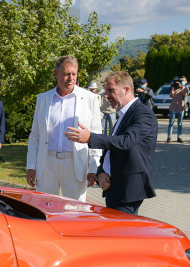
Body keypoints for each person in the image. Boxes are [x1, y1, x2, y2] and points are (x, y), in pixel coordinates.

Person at [65, 71, 158, 215]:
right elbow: (111, 150)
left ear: (126, 90)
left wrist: (90, 138)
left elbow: (127, 142)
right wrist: (101, 172)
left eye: (111, 90)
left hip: (128, 189)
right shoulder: (123, 113)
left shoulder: (142, 114)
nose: (106, 95)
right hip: (113, 186)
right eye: (106, 91)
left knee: (123, 234)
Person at [26, 55, 102, 202]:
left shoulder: (89, 99)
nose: (71, 78)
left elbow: (95, 135)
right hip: (46, 164)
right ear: (56, 74)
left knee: (74, 213)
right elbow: (35, 135)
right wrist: (31, 165)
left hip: (75, 165)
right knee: (44, 208)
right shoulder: (43, 99)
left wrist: (94, 167)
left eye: (74, 74)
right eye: (67, 74)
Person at [166, 78, 188, 143]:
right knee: (171, 123)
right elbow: (171, 95)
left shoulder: (185, 88)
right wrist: (173, 87)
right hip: (173, 108)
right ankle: (169, 137)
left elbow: (185, 94)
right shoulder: (174, 88)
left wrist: (181, 86)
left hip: (181, 109)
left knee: (180, 124)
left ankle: (179, 137)